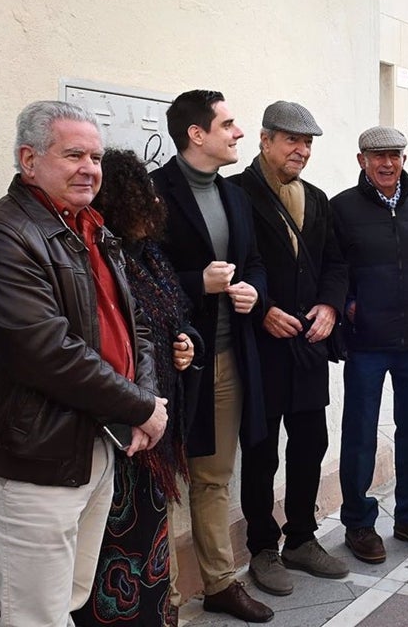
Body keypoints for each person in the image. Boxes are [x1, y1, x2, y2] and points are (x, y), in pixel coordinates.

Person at [0, 101, 169, 626]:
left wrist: (140, 402)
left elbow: (132, 323)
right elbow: (45, 353)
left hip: (89, 445)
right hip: (30, 460)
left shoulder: (90, 227)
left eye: (94, 156)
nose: (90, 168)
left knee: (67, 602)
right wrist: (142, 406)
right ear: (29, 160)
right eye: (74, 154)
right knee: (35, 617)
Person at [149, 90, 273, 623]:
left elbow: (254, 263)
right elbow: (134, 279)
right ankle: (164, 600)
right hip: (169, 367)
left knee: (214, 477)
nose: (238, 132)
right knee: (161, 482)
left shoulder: (235, 196)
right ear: (196, 134)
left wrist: (252, 292)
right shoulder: (153, 194)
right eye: (228, 124)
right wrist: (195, 284)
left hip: (226, 360)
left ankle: (221, 582)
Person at [72, 149, 203, 627]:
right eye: (143, 192)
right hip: (122, 435)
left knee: (150, 545)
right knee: (114, 551)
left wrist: (190, 345)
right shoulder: (106, 259)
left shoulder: (151, 256)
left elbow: (175, 321)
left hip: (154, 427)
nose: (154, 198)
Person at [229, 101, 350, 595]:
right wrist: (263, 310)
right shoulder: (234, 193)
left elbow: (336, 264)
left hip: (308, 346)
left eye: (308, 143)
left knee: (310, 444)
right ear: (264, 140)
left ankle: (301, 537)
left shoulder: (317, 199)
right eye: (291, 140)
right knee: (260, 451)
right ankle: (263, 547)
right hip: (260, 347)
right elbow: (228, 264)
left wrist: (329, 307)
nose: (301, 150)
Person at [329, 126, 408, 565]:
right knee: (360, 434)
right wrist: (348, 308)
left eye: (394, 155)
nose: (387, 163)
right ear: (361, 159)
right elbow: (333, 267)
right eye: (377, 155)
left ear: (403, 158)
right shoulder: (341, 208)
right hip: (367, 344)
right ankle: (359, 524)